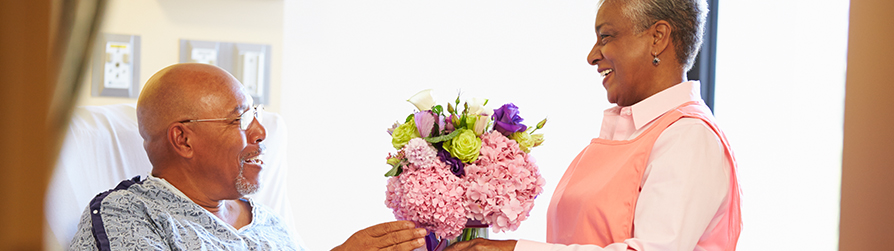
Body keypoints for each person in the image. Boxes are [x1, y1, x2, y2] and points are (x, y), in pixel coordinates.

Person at [446, 0, 741, 250]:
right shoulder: (628, 135)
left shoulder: (689, 136)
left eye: (606, 37)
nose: (591, 56)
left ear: (658, 37)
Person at [68, 63, 427, 251]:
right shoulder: (127, 215)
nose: (260, 132)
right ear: (183, 139)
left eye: (256, 115)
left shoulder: (269, 223)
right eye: (240, 119)